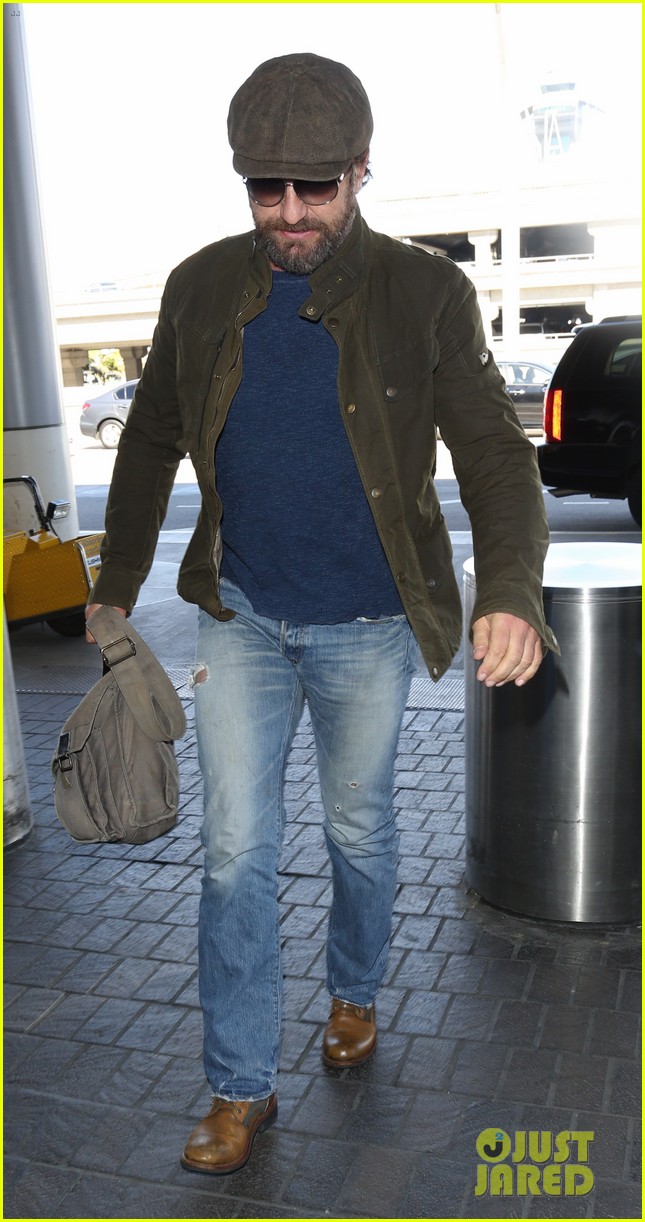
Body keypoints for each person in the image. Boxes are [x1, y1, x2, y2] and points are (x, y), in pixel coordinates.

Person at [86, 52, 558, 1176]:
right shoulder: (201, 286)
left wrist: (508, 591)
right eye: (268, 189)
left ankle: (354, 989)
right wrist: (113, 590)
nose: (291, 213)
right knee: (233, 851)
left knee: (359, 831)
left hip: (369, 622)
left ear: (360, 170)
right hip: (243, 612)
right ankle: (239, 1085)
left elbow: (494, 454)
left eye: (315, 187)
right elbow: (149, 440)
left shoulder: (424, 293)